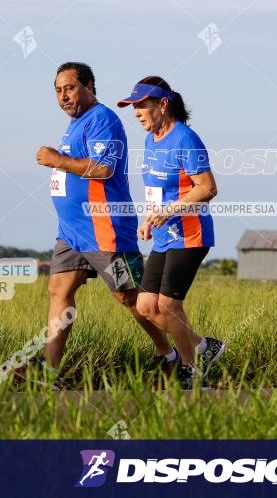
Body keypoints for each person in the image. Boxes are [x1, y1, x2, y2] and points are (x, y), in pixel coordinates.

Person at [33, 62, 172, 388]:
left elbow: (102, 169)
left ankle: (179, 351)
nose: (63, 96)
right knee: (59, 289)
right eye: (57, 90)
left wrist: (56, 160)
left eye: (69, 88)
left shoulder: (102, 119)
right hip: (71, 232)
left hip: (104, 228)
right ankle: (48, 372)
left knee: (129, 297)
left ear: (89, 86)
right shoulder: (77, 123)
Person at [117, 76, 225, 390]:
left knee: (168, 306)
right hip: (164, 235)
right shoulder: (151, 140)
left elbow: (207, 188)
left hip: (191, 234)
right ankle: (205, 347)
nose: (136, 112)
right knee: (145, 306)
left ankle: (191, 372)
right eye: (133, 107)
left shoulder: (186, 139)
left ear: (163, 104)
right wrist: (150, 219)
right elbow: (155, 189)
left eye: (141, 105)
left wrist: (169, 210)